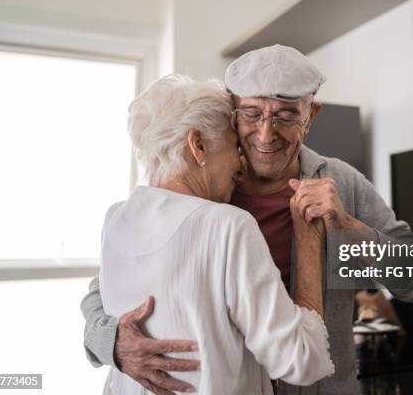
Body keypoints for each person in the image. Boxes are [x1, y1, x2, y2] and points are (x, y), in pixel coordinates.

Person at [81, 45, 413, 394]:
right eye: (252, 114)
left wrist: (349, 230)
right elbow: (107, 286)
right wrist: (111, 341)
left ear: (310, 116)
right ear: (233, 113)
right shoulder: (198, 190)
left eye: (285, 116)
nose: (266, 134)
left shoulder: (343, 183)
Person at [96, 74, 334, 394]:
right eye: (235, 144)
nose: (241, 160)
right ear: (198, 145)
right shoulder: (228, 225)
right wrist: (308, 238)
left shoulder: (115, 220)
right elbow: (302, 360)